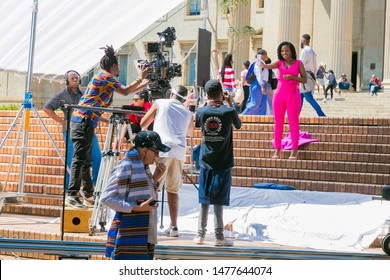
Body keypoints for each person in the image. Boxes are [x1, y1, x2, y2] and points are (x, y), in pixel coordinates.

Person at [67, 45, 150, 208]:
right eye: (118, 65)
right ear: (113, 66)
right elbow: (126, 91)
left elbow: (126, 90)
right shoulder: (106, 77)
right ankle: (72, 194)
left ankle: (87, 193)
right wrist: (140, 78)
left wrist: (144, 83)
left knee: (85, 159)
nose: (119, 69)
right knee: (80, 158)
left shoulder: (102, 76)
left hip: (83, 121)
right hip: (83, 121)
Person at [100, 130, 169, 260]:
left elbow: (140, 192)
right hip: (130, 234)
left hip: (144, 235)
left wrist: (154, 179)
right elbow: (107, 197)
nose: (157, 155)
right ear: (144, 150)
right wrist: (137, 207)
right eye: (155, 151)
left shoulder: (143, 166)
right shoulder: (127, 166)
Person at [140, 85, 194, 237]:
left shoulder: (160, 102)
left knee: (153, 186)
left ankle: (149, 225)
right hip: (179, 150)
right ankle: (174, 227)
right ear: (184, 99)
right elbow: (190, 132)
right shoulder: (187, 111)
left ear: (171, 94)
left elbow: (143, 122)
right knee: (173, 189)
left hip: (162, 148)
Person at [193, 79, 241, 246]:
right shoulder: (228, 112)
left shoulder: (201, 111)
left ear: (206, 94)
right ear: (221, 93)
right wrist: (228, 101)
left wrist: (208, 104)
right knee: (219, 198)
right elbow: (238, 124)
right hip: (224, 160)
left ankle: (200, 235)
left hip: (206, 160)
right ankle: (219, 237)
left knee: (204, 197)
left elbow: (198, 123)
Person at [43, 70, 102, 196]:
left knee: (97, 157)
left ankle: (95, 186)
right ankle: (69, 191)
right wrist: (61, 121)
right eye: (72, 78)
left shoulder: (86, 93)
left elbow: (92, 108)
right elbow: (47, 108)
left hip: (87, 129)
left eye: (77, 78)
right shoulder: (61, 94)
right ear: (67, 81)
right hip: (71, 132)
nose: (75, 80)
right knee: (72, 161)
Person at [261, 41, 307, 160]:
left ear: (291, 51)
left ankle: (294, 151)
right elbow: (268, 66)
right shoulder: (279, 63)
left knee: (293, 123)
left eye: (286, 50)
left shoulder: (298, 63)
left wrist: (292, 77)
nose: (284, 53)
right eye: (282, 51)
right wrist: (263, 65)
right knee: (278, 124)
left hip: (292, 94)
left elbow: (304, 79)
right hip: (279, 95)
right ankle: (277, 151)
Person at [299, 34, 326, 117]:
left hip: (304, 75)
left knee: (308, 96)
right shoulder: (312, 51)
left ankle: (321, 114)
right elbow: (314, 67)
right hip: (309, 75)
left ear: (303, 41)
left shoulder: (305, 50)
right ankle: (295, 115)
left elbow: (301, 64)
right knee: (299, 97)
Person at [241, 51, 268, 115]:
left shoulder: (263, 63)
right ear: (262, 55)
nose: (267, 56)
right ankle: (240, 117)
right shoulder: (259, 62)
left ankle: (260, 123)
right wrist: (262, 86)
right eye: (266, 55)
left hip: (263, 84)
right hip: (258, 84)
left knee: (262, 106)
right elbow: (259, 75)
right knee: (255, 104)